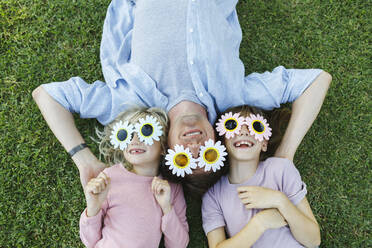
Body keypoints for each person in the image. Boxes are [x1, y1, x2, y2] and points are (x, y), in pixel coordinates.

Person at [32, 0, 332, 193]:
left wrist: (85, 161)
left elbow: (47, 95)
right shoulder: (235, 96)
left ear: (166, 148)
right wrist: (284, 156)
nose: (195, 145)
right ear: (218, 140)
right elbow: (317, 80)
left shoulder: (129, 105)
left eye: (185, 157)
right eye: (209, 153)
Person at [202, 105, 320, 248]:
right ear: (223, 142)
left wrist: (280, 200)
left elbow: (314, 240)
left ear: (264, 144)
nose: (244, 131)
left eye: (255, 127)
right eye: (232, 125)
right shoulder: (213, 195)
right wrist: (260, 223)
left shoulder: (280, 169)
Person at [80, 107, 189, 248]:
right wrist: (93, 208)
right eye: (127, 134)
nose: (135, 140)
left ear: (163, 146)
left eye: (146, 131)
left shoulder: (171, 188)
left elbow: (179, 245)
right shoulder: (110, 177)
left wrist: (167, 208)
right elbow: (90, 241)